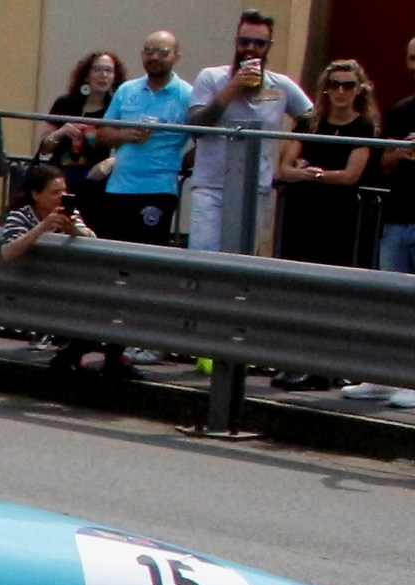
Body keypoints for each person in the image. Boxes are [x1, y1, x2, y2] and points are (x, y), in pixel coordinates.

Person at [264, 60, 375, 390]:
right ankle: (292, 362)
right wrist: (312, 174)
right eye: (335, 85)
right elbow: (284, 169)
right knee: (297, 289)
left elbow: (351, 175)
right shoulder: (310, 122)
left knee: (330, 292)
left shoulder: (363, 126)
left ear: (359, 90)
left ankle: (323, 367)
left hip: (338, 216)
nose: (341, 91)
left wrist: (313, 173)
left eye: (348, 85)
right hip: (302, 212)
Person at [185, 9, 311, 254]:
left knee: (245, 257)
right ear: (236, 42)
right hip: (212, 186)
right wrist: (232, 87)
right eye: (244, 42)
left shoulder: (280, 85)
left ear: (269, 46)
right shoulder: (211, 77)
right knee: (204, 256)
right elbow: (197, 126)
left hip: (256, 187)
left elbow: (311, 119)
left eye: (259, 44)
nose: (250, 49)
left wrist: (289, 156)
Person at [343, 36, 415, 410]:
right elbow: (384, 165)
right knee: (390, 301)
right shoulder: (402, 110)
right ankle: (382, 377)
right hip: (398, 216)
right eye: (413, 58)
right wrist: (398, 154)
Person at [1, 165, 124, 377]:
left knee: (114, 302)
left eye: (64, 191)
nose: (62, 197)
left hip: (64, 287)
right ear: (36, 195)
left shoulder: (68, 212)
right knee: (96, 308)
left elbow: (92, 240)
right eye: (54, 192)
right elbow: (8, 252)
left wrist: (72, 230)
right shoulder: (21, 216)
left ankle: (101, 359)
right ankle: (72, 355)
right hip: (32, 286)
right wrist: (42, 228)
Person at [90, 30, 192, 244]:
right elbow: (102, 134)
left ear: (176, 57)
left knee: (147, 252)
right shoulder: (127, 90)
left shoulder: (187, 95)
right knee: (113, 250)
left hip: (159, 189)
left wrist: (184, 162)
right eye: (149, 51)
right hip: (118, 187)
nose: (154, 57)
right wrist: (125, 135)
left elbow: (205, 140)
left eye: (162, 52)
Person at [39, 50, 120, 205]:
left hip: (97, 181)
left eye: (109, 70)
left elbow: (127, 145)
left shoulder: (116, 107)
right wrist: (61, 132)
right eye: (97, 70)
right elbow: (45, 147)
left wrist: (111, 162)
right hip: (61, 180)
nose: (103, 75)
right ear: (86, 75)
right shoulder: (65, 103)